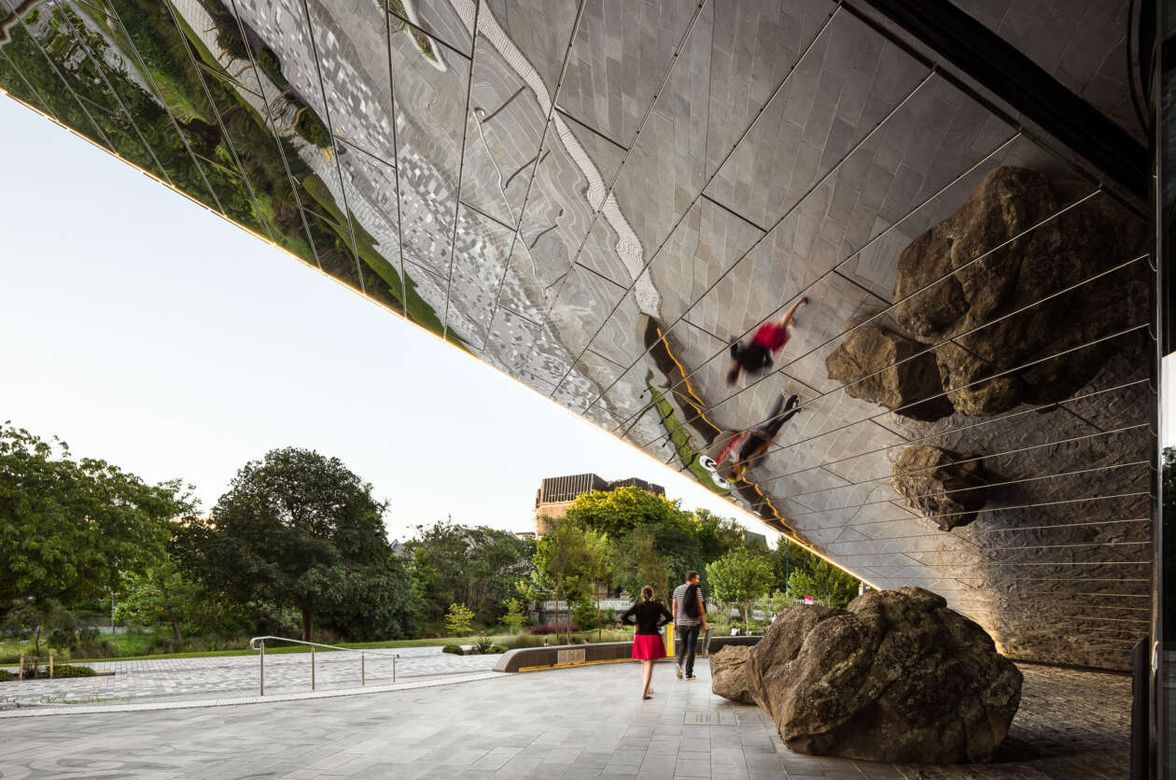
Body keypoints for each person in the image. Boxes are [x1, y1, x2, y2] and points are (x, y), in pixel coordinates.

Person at [708, 393, 802, 480]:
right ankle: (790, 402)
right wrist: (766, 444)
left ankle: (792, 402)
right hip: (763, 437)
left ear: (734, 469)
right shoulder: (744, 462)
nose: (740, 472)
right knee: (777, 419)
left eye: (738, 472)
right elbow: (757, 451)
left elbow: (742, 441)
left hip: (760, 435)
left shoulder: (736, 455)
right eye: (739, 473)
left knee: (779, 420)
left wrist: (750, 434)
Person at [727, 297, 808, 384]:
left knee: (781, 323)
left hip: (768, 343)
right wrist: (743, 344)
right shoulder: (735, 356)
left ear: (738, 377)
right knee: (781, 326)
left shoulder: (749, 368)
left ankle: (799, 302)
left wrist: (767, 354)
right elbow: (733, 339)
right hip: (758, 338)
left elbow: (768, 364)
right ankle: (790, 321)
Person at [620, 586, 672, 700]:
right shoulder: (657, 605)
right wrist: (659, 624)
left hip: (640, 637)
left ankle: (647, 688)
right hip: (652, 637)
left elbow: (623, 617)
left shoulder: (638, 607)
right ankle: (644, 693)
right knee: (649, 665)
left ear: (642, 595)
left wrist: (634, 623)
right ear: (652, 594)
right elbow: (670, 617)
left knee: (644, 663)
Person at [671, 571, 708, 680]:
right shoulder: (696, 589)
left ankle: (679, 663)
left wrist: (675, 622)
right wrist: (704, 623)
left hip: (681, 623)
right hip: (693, 623)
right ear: (692, 579)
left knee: (683, 644)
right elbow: (701, 607)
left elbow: (674, 607)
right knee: (691, 648)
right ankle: (689, 674)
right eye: (697, 578)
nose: (698, 581)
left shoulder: (677, 590)